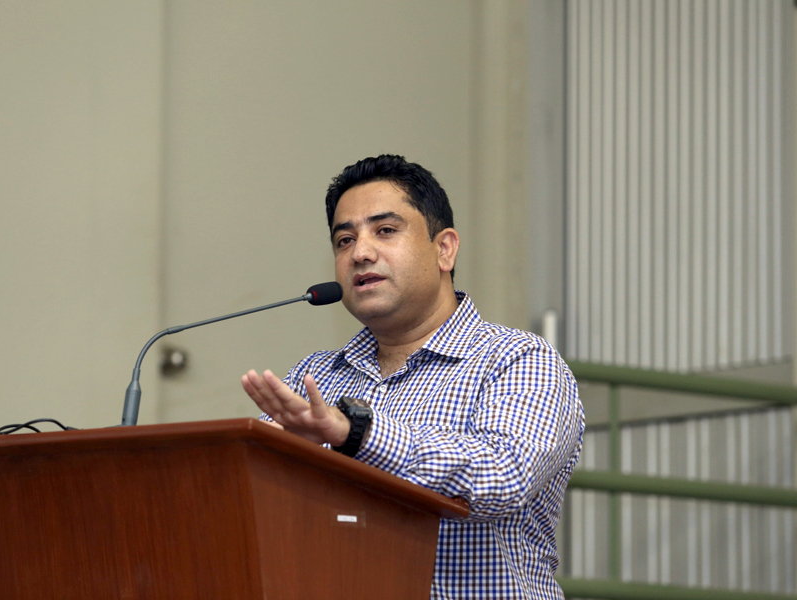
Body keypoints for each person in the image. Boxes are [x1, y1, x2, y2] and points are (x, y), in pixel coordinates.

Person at [241, 154, 584, 599]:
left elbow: (504, 476)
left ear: (445, 249)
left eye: (385, 230)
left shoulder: (517, 358)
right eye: (344, 240)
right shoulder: (315, 376)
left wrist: (357, 433)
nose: (360, 253)